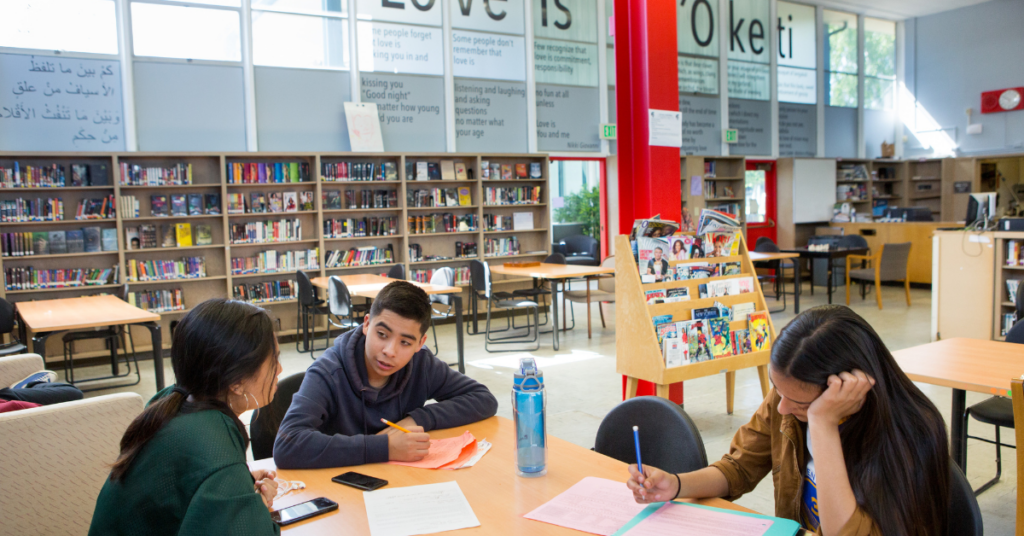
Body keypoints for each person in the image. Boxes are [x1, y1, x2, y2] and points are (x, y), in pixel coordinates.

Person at [626, 306, 950, 536]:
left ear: (843, 390)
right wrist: (675, 484)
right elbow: (738, 468)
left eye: (800, 402)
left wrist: (822, 424)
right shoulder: (787, 398)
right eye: (776, 390)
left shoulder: (910, 434)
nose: (781, 408)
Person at [89, 299, 283, 536]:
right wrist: (255, 504)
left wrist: (238, 483)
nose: (280, 370)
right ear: (237, 381)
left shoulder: (174, 402)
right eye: (274, 360)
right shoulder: (212, 441)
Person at [274, 281, 498, 469]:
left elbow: (483, 398)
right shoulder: (328, 371)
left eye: (405, 342)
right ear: (366, 324)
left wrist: (417, 419)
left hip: (400, 482)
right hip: (343, 491)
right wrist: (385, 447)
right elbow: (287, 445)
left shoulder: (421, 364)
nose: (390, 351)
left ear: (420, 343)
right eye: (382, 334)